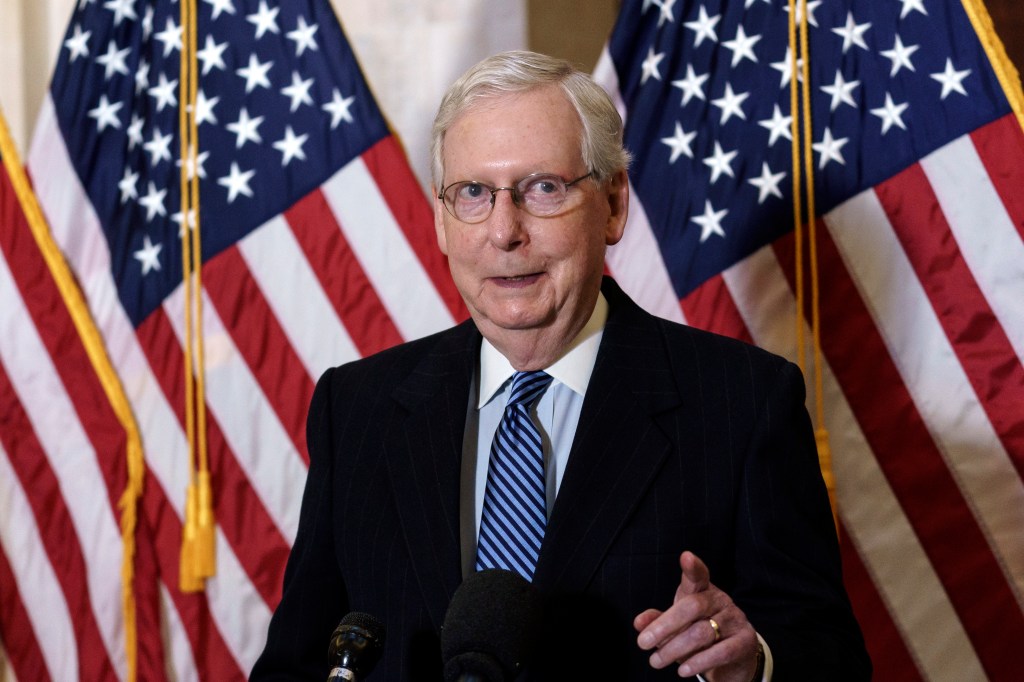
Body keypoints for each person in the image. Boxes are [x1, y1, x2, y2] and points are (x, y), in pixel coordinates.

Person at [251, 51, 870, 681]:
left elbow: (833, 662)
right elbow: (294, 664)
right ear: (440, 221)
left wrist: (754, 663)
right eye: (472, 193)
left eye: (542, 188)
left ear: (614, 203)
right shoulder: (356, 407)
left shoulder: (743, 403)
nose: (504, 232)